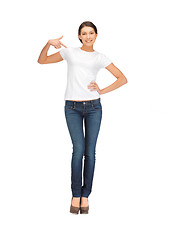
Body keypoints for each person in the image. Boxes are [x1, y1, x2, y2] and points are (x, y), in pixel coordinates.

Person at [37, 21, 128, 214]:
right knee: (78, 150)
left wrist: (102, 90)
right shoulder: (70, 53)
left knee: (90, 152)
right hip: (72, 107)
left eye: (91, 33)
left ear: (96, 35)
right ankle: (75, 194)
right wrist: (48, 43)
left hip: (94, 107)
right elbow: (42, 61)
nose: (88, 36)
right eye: (84, 33)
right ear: (79, 36)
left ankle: (86, 195)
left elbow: (122, 78)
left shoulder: (100, 57)